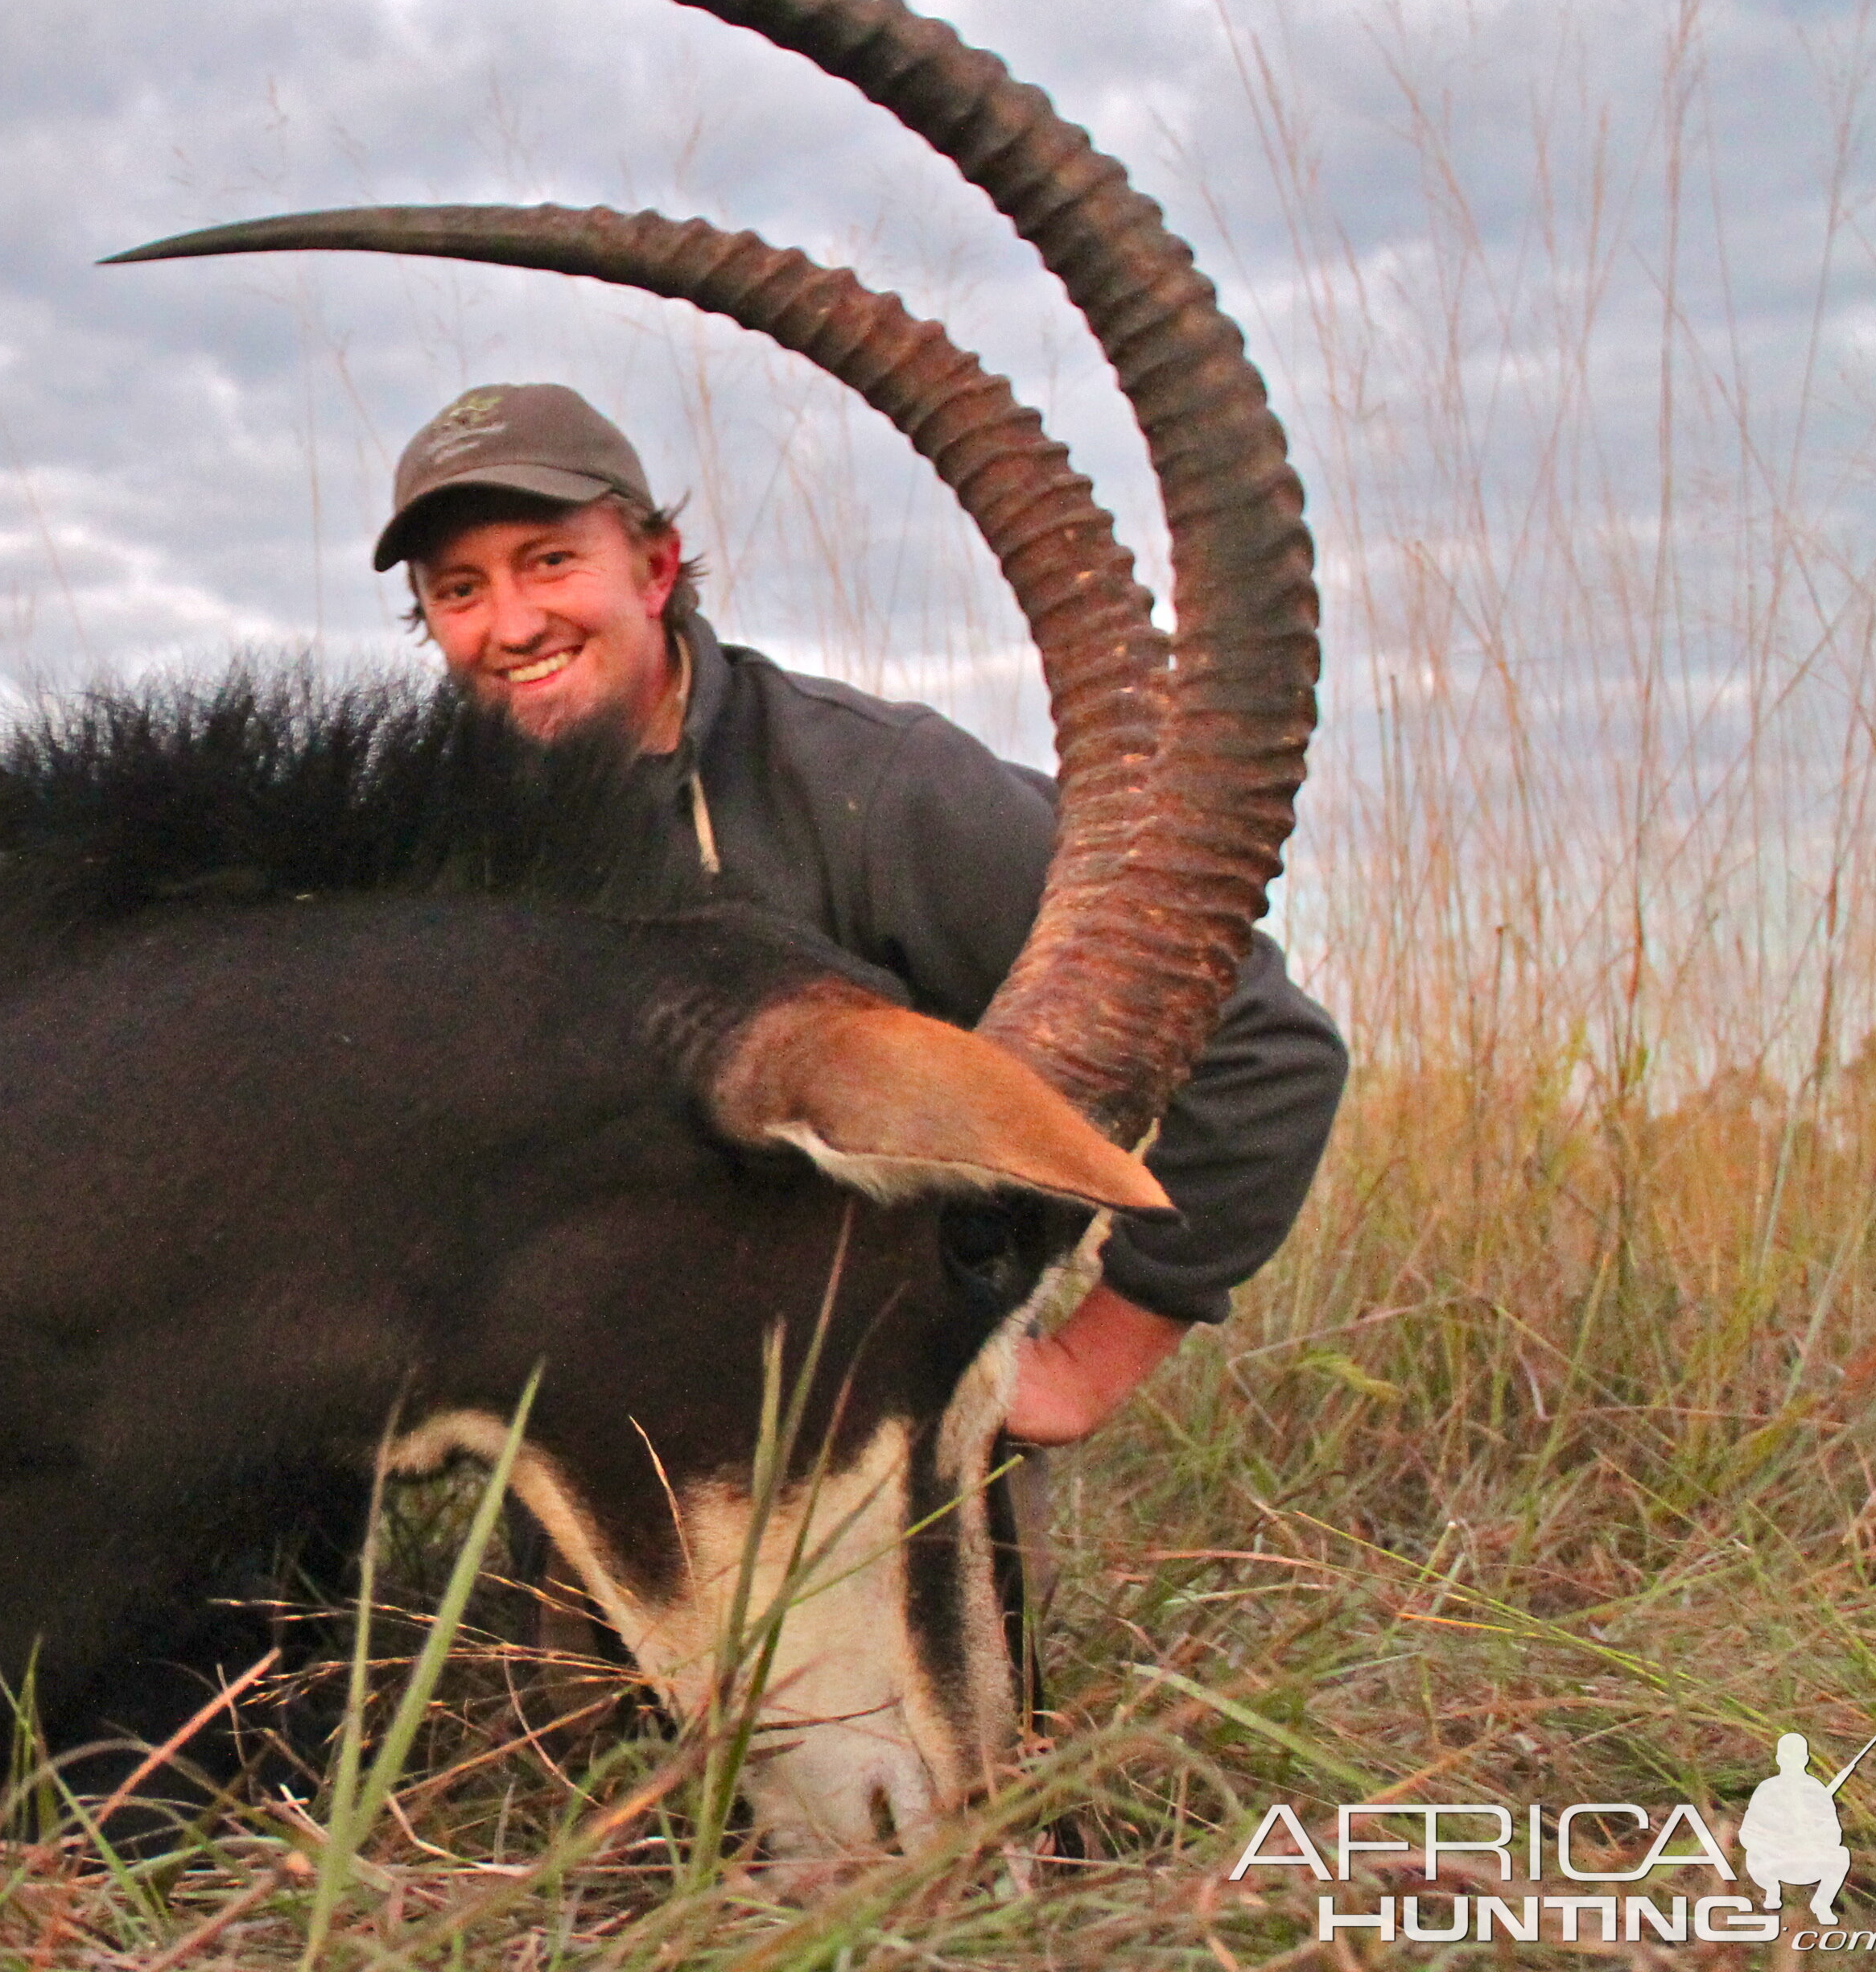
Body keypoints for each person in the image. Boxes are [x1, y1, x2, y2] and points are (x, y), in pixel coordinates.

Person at [369, 382, 1348, 1443]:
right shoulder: (437, 850)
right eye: (458, 590)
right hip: (581, 1449)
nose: (510, 625)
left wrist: (1077, 1373)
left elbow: (1266, 1047)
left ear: (655, 568)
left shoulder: (876, 787)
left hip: (874, 1443)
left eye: (550, 561)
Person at [1742, 1733, 1853, 1926]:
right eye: (1786, 1758)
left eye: (1797, 1758)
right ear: (1778, 1759)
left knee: (1841, 1855)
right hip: (1773, 1859)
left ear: (1806, 1759)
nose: (1792, 1763)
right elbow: (1747, 1833)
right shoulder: (1767, 1789)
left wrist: (1813, 1835)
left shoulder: (1815, 1789)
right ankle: (1772, 1890)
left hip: (1808, 1859)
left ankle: (1821, 1904)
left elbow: (1834, 1833)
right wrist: (1773, 1840)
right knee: (1752, 1855)